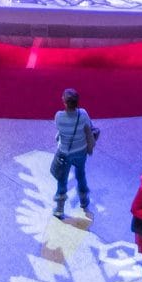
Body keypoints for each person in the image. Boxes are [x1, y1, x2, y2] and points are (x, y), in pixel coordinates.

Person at [52, 88, 94, 218]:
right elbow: (90, 126)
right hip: (81, 151)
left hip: (65, 153)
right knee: (80, 174)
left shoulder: (59, 116)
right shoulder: (83, 114)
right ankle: (84, 200)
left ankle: (59, 208)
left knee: (62, 179)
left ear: (64, 102)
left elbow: (59, 130)